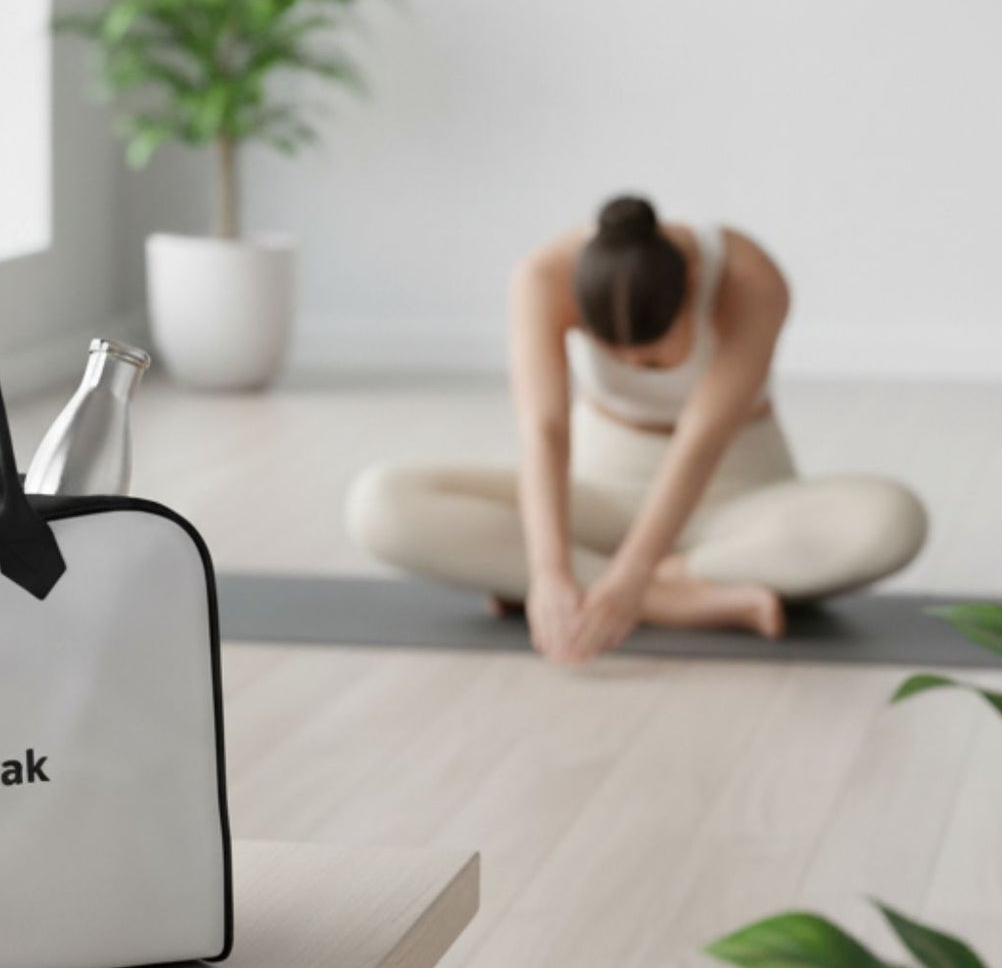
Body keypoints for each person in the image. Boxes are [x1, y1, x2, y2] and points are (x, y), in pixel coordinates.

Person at [346, 196, 928, 665]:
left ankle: (614, 587)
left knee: (893, 519)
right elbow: (545, 433)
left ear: (694, 282)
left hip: (735, 500)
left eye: (650, 361)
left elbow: (700, 441)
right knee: (380, 504)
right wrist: (548, 571)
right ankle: (678, 601)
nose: (630, 368)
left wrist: (629, 575)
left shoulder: (750, 277)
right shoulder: (543, 276)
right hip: (600, 497)